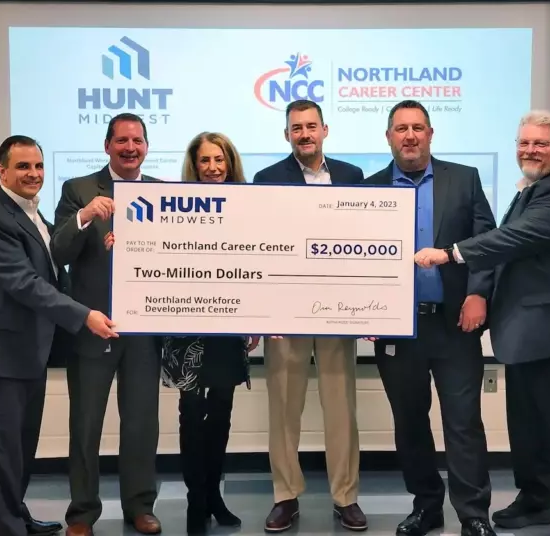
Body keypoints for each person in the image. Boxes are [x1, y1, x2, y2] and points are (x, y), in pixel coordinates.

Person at [415, 110, 550, 536]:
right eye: (524, 143)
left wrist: (451, 253)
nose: (530, 150)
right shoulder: (531, 191)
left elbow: (511, 240)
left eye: (540, 143)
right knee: (529, 426)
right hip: (528, 333)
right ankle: (536, 501)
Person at [0, 135, 118, 536]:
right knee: (0, 451)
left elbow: (55, 261)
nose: (33, 174)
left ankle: (15, 516)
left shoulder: (31, 213)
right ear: (2, 171)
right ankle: (3, 528)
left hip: (28, 352)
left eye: (38, 167)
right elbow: (26, 284)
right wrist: (84, 316)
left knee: (20, 447)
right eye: (23, 167)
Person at [104, 131, 259, 535]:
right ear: (195, 165)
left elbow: (261, 261)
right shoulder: (171, 205)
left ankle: (214, 497)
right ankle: (195, 501)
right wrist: (122, 244)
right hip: (186, 330)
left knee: (221, 416)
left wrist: (259, 317)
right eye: (206, 160)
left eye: (220, 160)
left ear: (231, 163)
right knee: (192, 418)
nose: (213, 168)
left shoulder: (251, 206)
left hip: (229, 328)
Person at [363, 100, 497, 536]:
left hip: (454, 324)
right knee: (410, 422)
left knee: (463, 422)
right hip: (398, 329)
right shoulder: (371, 188)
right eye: (400, 128)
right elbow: (358, 260)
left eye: (417, 127)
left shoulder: (464, 179)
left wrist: (478, 294)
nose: (409, 136)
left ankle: (473, 513)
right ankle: (426, 506)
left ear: (431, 133)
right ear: (388, 137)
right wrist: (363, 312)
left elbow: (487, 243)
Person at [253, 99, 368, 533]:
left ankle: (346, 496)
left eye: (311, 126)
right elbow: (257, 246)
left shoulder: (353, 178)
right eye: (296, 128)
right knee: (284, 407)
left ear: (325, 130)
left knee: (341, 408)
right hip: (284, 311)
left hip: (339, 309)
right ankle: (286, 496)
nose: (304, 134)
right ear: (287, 135)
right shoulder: (266, 180)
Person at [50, 113, 163, 536]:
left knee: (140, 424)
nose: (129, 147)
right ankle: (81, 513)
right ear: (107, 146)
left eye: (137, 140)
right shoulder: (78, 191)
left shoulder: (160, 193)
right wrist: (84, 219)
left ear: (146, 147)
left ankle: (139, 506)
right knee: (85, 424)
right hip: (93, 326)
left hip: (142, 331)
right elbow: (57, 252)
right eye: (121, 140)